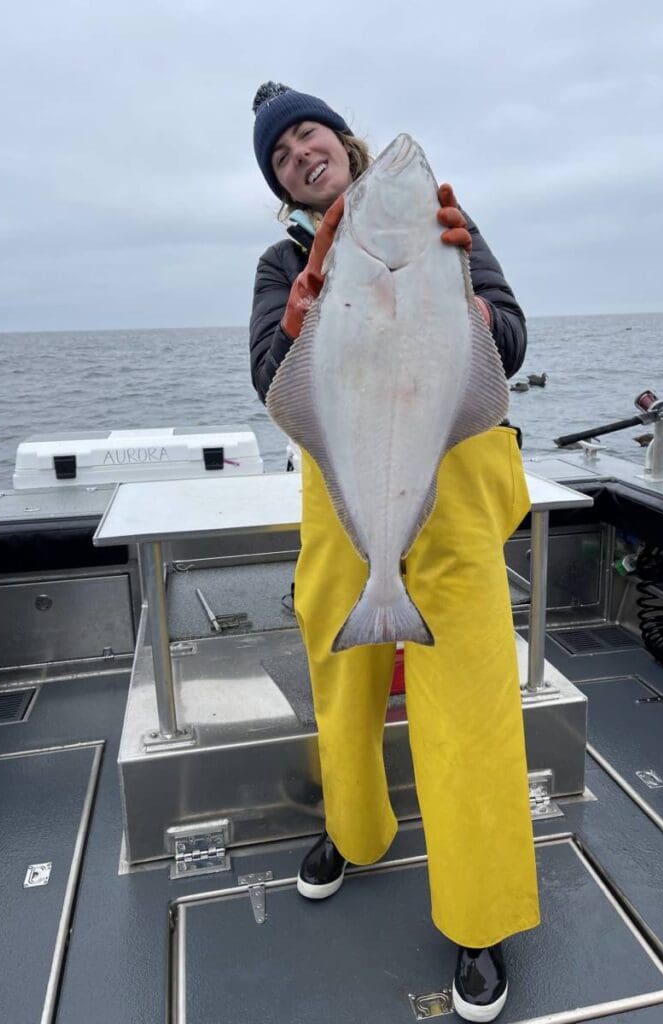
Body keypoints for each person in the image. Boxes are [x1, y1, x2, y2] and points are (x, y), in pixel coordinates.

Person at [249, 81, 540, 1023]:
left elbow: (511, 334)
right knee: (344, 689)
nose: (300, 151)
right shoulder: (278, 261)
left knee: (474, 709)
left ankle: (479, 916)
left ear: (342, 141)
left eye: (308, 133)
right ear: (283, 188)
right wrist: (300, 315)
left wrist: (458, 304)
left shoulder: (449, 225)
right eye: (281, 154)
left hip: (448, 496)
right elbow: (271, 378)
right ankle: (353, 831)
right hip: (347, 511)